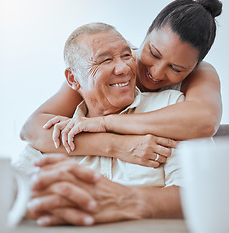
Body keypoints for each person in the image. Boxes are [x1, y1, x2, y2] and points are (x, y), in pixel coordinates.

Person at [20, 0, 223, 162]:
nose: (157, 72)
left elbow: (204, 122)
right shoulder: (109, 68)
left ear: (193, 67)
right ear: (147, 33)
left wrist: (105, 122)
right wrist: (117, 145)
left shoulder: (201, 73)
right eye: (153, 53)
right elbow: (32, 128)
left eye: (175, 68)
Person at [23, 21, 186, 226]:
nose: (123, 67)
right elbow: (11, 192)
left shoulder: (170, 106)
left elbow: (197, 194)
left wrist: (125, 200)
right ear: (73, 79)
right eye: (105, 60)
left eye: (127, 56)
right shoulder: (54, 130)